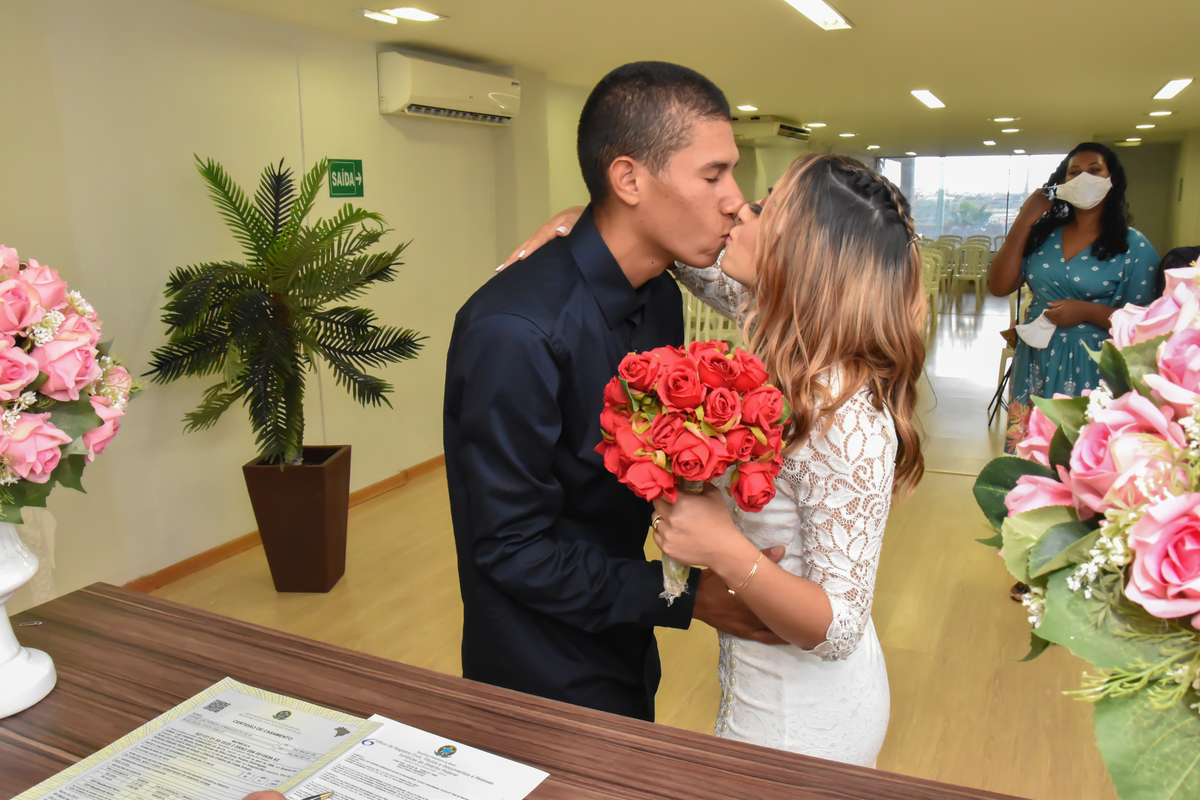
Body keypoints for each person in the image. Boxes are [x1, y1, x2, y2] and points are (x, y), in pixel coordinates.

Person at [511, 154, 926, 766]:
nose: (739, 206)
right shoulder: (780, 319)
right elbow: (683, 261)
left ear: (800, 255)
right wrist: (596, 225)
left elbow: (839, 627)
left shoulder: (849, 416)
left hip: (803, 722)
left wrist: (720, 546)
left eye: (765, 207)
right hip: (759, 683)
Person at [443, 61, 784, 724]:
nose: (735, 200)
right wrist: (685, 596)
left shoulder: (657, 291)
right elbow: (512, 547)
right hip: (536, 667)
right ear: (629, 178)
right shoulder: (513, 331)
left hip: (622, 633)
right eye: (712, 175)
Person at [989, 143, 1159, 451]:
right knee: (1033, 458)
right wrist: (1024, 221)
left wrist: (1087, 312)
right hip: (1037, 359)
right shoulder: (1043, 236)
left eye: (1095, 170)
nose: (1084, 178)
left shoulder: (1134, 246)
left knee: (1082, 458)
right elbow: (999, 285)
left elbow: (1144, 325)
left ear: (1112, 180)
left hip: (1094, 365)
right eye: (1075, 172)